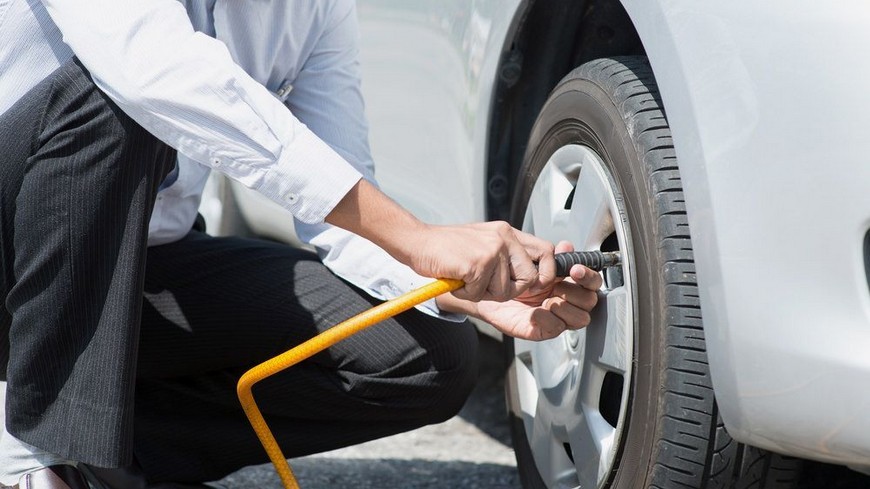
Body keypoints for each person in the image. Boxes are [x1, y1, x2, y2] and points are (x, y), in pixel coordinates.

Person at [0, 1, 602, 488]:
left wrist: (468, 295)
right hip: (14, 257)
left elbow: (342, 212)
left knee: (427, 353)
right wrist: (416, 238)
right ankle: (36, 455)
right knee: (115, 99)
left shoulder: (315, 10)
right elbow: (153, 72)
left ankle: (101, 458)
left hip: (127, 279)